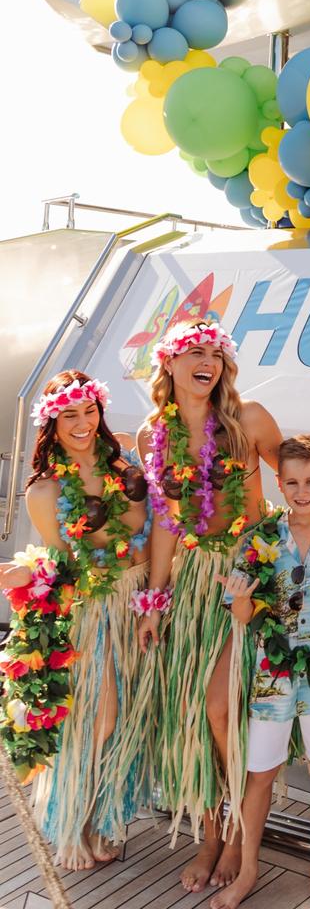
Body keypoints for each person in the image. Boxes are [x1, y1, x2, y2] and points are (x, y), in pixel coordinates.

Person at [134, 320, 310, 893]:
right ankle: (214, 830)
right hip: (193, 582)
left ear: (226, 366)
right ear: (170, 365)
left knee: (222, 706)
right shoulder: (152, 435)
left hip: (253, 574)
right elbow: (165, 524)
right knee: (198, 715)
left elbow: (303, 484)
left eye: (216, 353)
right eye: (194, 353)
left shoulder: (250, 419)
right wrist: (155, 601)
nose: (207, 361)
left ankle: (237, 835)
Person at [211, 434, 310, 909]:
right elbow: (243, 617)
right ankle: (248, 870)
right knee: (260, 773)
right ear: (279, 482)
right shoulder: (261, 539)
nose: (302, 490)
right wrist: (244, 600)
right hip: (273, 674)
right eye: (292, 482)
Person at [24, 370, 151, 869]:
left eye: (89, 411)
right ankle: (74, 820)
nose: (82, 423)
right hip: (95, 608)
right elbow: (63, 568)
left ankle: (105, 815)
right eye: (69, 415)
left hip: (141, 600)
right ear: (51, 424)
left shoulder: (124, 463)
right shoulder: (46, 492)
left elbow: (158, 520)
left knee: (128, 722)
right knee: (98, 720)